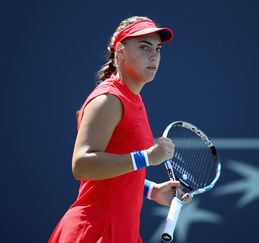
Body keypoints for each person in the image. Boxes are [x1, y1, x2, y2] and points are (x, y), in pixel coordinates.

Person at [49, 16, 189, 243]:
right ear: (120, 52)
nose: (154, 56)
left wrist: (151, 190)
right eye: (144, 47)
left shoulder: (133, 98)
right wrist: (146, 157)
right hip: (95, 229)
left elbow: (109, 177)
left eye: (158, 49)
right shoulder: (108, 100)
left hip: (123, 231)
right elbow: (82, 165)